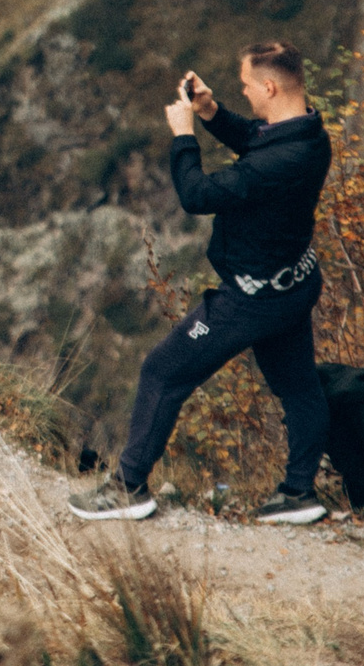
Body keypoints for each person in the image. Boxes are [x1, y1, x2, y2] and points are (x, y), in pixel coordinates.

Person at [68, 41, 334, 526]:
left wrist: (184, 135)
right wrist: (212, 111)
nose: (245, 93)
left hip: (251, 299)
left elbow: (198, 194)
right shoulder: (308, 134)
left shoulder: (279, 162)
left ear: (270, 87)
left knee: (163, 371)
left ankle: (129, 487)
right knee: (297, 388)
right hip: (293, 286)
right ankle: (300, 493)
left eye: (247, 86)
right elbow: (255, 136)